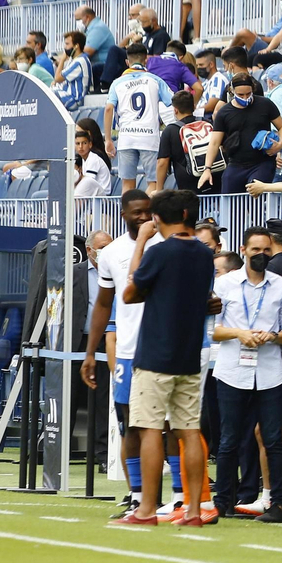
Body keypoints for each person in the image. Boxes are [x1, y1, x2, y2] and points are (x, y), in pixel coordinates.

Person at [110, 191, 214, 527]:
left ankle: (145, 511)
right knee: (188, 431)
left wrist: (140, 244)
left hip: (155, 352)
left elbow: (129, 292)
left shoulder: (158, 251)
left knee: (150, 430)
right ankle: (195, 511)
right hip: (189, 353)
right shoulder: (204, 253)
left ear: (158, 218)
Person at [210, 226, 282, 525]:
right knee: (229, 440)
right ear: (244, 250)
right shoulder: (225, 285)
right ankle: (223, 501)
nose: (261, 255)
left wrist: (273, 336)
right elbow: (214, 330)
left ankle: (278, 505)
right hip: (232, 370)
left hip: (269, 371)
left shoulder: (280, 285)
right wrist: (240, 333)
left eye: (266, 250)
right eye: (255, 250)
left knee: (273, 439)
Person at [82, 190, 161, 519]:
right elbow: (103, 303)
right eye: (136, 212)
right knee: (130, 425)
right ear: (123, 214)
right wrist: (90, 352)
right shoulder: (111, 253)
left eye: (147, 212)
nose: (143, 217)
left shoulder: (164, 246)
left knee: (167, 426)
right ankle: (137, 493)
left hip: (163, 348)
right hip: (128, 353)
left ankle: (175, 497)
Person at [199, 73, 282, 193]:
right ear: (232, 91)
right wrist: (207, 168)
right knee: (229, 201)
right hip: (236, 164)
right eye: (240, 95)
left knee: (255, 196)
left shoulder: (265, 104)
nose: (245, 98)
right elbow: (214, 143)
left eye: (248, 94)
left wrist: (280, 144)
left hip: (262, 162)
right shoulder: (224, 113)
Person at [105, 44, 174, 192]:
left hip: (126, 138)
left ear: (127, 62)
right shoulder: (155, 80)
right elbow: (173, 103)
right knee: (154, 184)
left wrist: (108, 140)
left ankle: (127, 215)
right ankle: (148, 215)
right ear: (146, 60)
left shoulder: (117, 83)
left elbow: (108, 108)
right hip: (149, 137)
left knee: (127, 185)